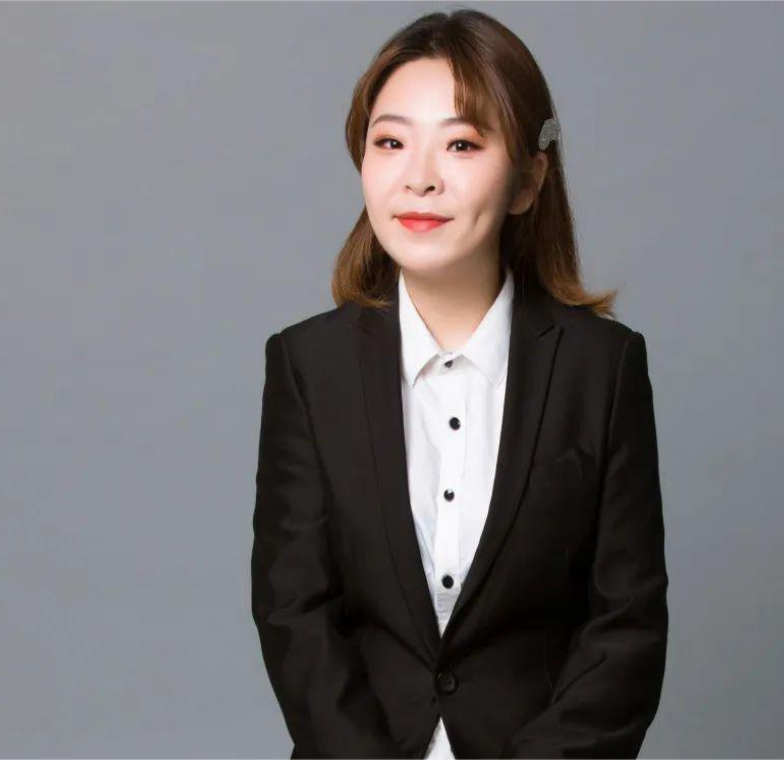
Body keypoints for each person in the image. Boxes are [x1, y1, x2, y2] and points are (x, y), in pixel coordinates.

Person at [251, 9, 668, 760]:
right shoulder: (307, 365)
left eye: (462, 144)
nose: (419, 177)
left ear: (528, 180)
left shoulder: (602, 367)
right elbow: (294, 614)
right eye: (390, 142)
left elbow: (626, 627)